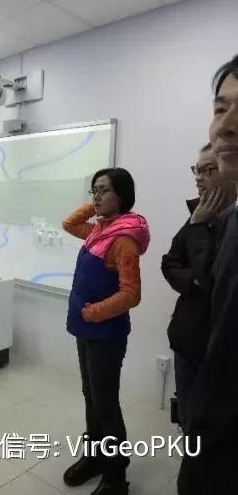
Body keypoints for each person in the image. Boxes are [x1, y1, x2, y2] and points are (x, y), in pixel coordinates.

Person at [60, 168, 149, 495]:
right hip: (86, 331)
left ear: (121, 196)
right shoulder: (99, 230)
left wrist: (94, 312)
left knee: (106, 405)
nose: (96, 197)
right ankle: (94, 458)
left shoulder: (123, 240)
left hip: (107, 335)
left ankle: (115, 477)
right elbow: (69, 224)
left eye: (103, 190)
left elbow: (131, 294)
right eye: (93, 190)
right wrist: (96, 206)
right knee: (91, 397)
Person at [178, 54, 238, 494]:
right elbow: (172, 264)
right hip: (193, 344)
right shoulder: (216, 218)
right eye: (221, 108)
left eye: (207, 170)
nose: (226, 126)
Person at [161, 144, 235, 433]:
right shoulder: (198, 215)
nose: (198, 178)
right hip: (188, 339)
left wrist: (198, 226)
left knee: (212, 433)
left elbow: (217, 280)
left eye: (207, 170)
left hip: (219, 352)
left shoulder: (225, 220)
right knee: (187, 420)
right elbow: (169, 262)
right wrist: (195, 282)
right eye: (197, 170)